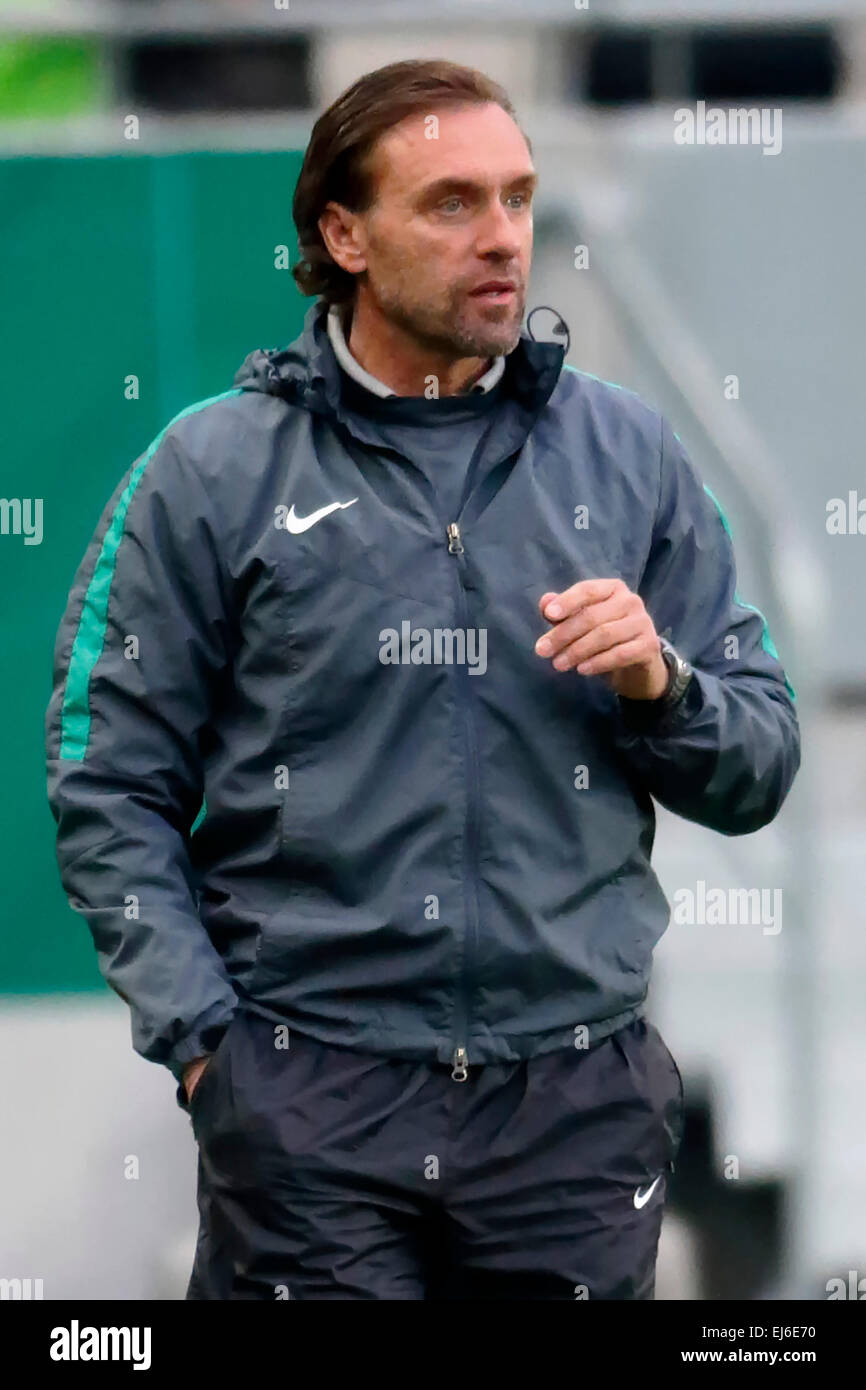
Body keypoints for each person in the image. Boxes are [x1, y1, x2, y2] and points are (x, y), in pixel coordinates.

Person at [45, 58, 801, 1300]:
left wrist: (661, 685)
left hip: (573, 1106)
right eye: (451, 204)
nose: (502, 237)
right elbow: (105, 784)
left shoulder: (629, 456)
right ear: (341, 233)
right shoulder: (209, 470)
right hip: (309, 1101)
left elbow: (760, 761)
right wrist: (208, 1053)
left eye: (516, 197)